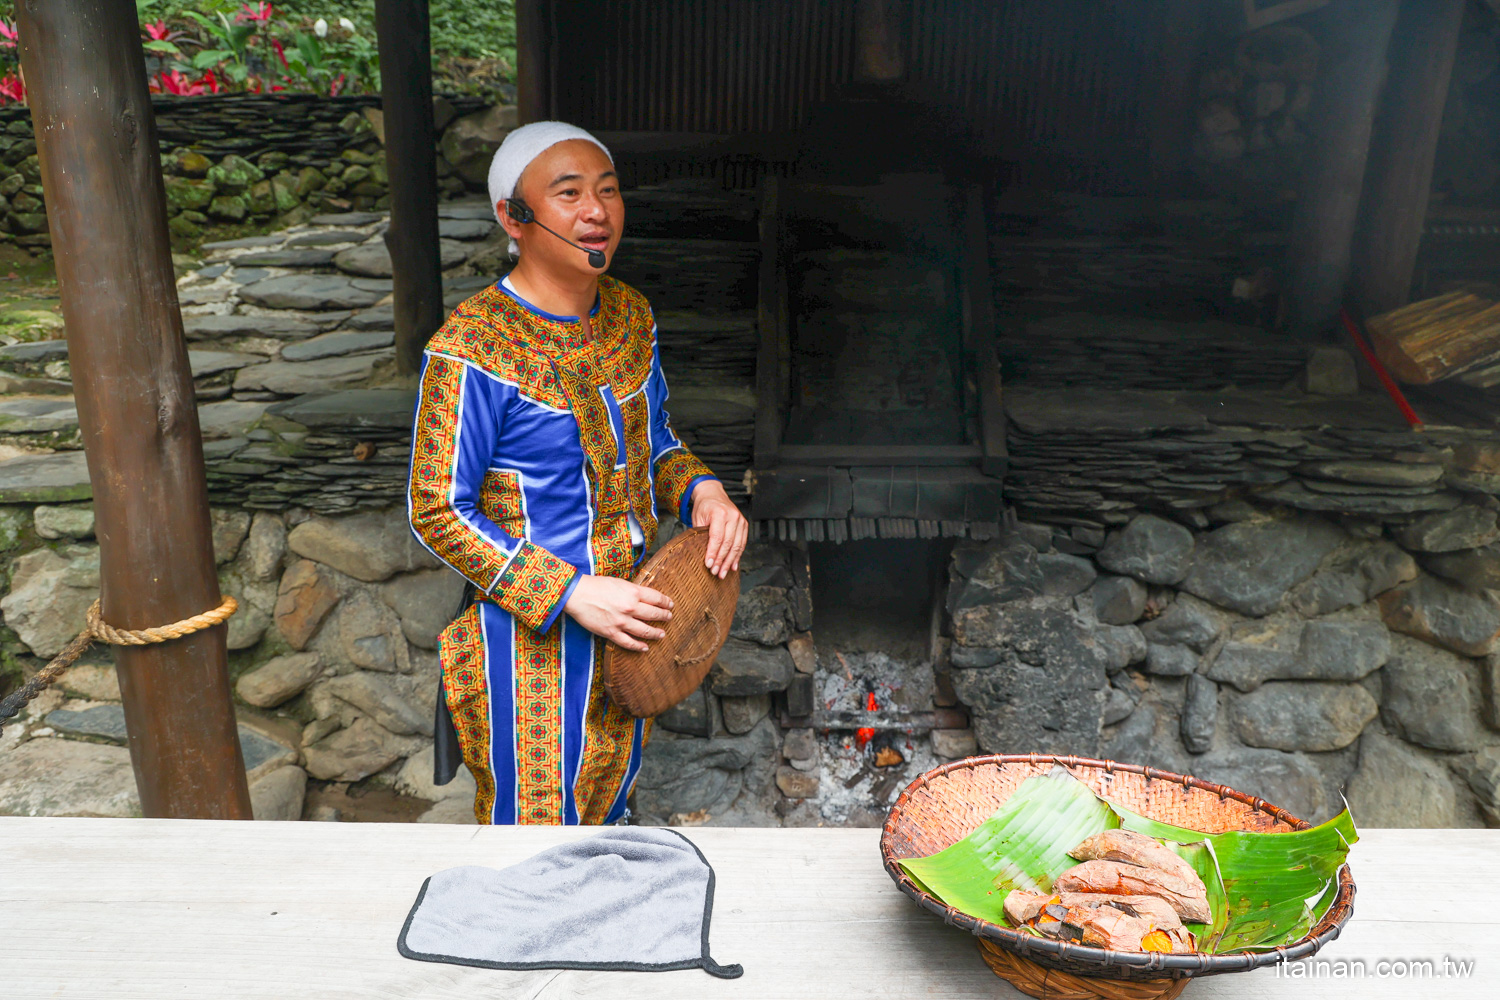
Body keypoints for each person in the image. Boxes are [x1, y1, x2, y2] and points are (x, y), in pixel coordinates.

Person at [407, 122, 748, 825]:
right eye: (569, 194)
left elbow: (655, 444)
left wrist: (701, 488)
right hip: (529, 650)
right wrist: (569, 591)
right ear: (514, 217)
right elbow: (436, 508)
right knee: (534, 843)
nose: (597, 210)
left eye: (609, 190)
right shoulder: (470, 349)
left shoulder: (629, 316)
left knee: (610, 817)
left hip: (635, 630)